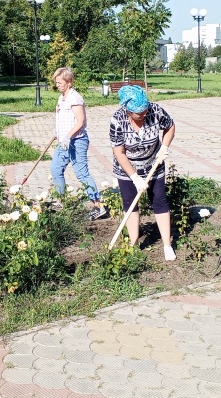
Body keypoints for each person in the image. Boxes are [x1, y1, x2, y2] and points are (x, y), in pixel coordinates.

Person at [109, 85, 176, 260]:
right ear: (128, 111)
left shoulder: (155, 110)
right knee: (131, 203)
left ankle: (167, 245)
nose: (144, 114)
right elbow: (119, 153)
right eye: (139, 113)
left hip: (154, 164)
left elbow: (170, 126)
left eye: (145, 110)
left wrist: (165, 146)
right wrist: (135, 177)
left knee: (160, 200)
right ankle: (134, 242)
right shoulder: (118, 120)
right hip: (127, 168)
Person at [50, 68, 106, 220]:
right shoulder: (61, 98)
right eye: (56, 82)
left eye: (60, 82)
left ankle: (98, 206)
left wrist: (68, 136)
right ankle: (62, 203)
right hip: (64, 142)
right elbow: (64, 119)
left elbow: (80, 121)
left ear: (69, 82)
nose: (57, 85)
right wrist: (58, 132)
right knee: (55, 169)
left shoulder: (75, 98)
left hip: (77, 141)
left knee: (81, 173)